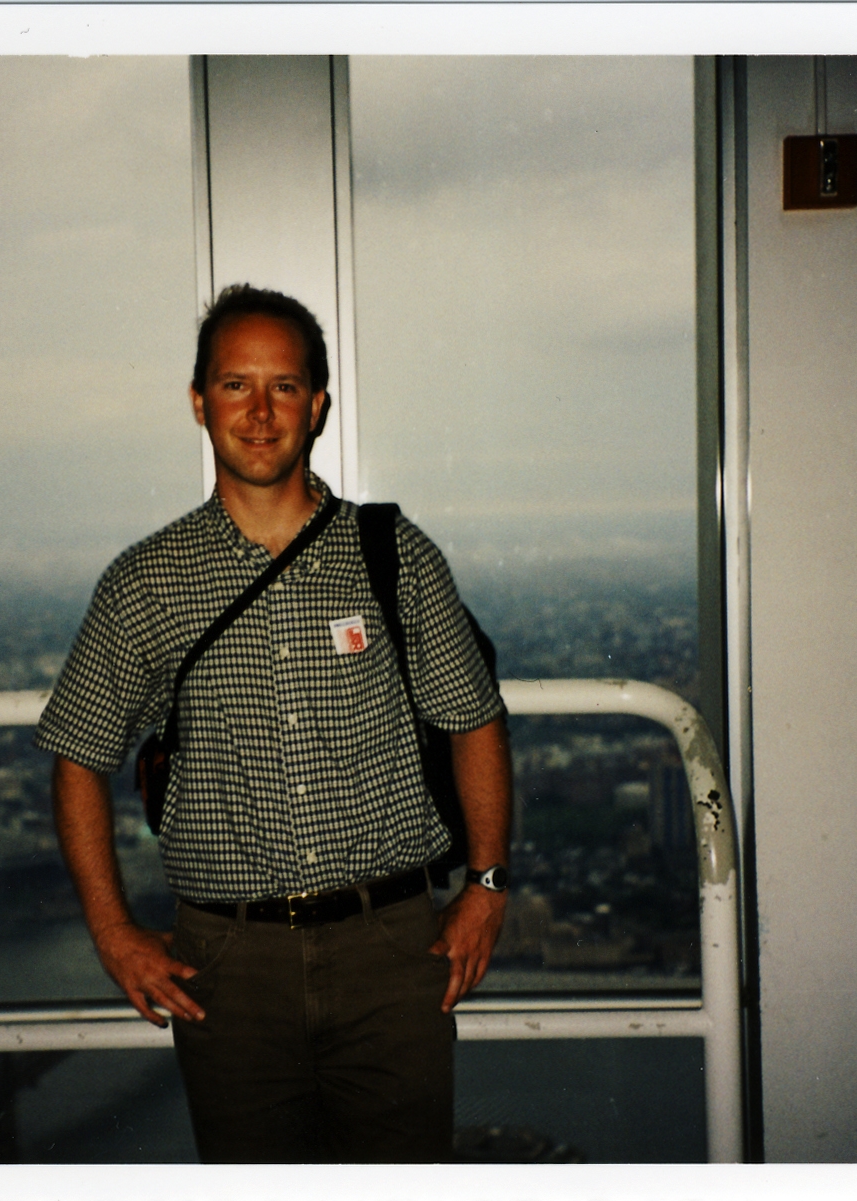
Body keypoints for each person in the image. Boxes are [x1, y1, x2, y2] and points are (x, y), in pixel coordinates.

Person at [34, 283, 512, 1162]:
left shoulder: (393, 555)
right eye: (234, 384)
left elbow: (472, 716)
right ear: (198, 402)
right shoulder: (147, 581)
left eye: (284, 386)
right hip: (227, 962)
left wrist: (484, 886)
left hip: (390, 949)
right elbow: (78, 754)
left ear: (318, 403)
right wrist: (112, 932)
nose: (259, 411)